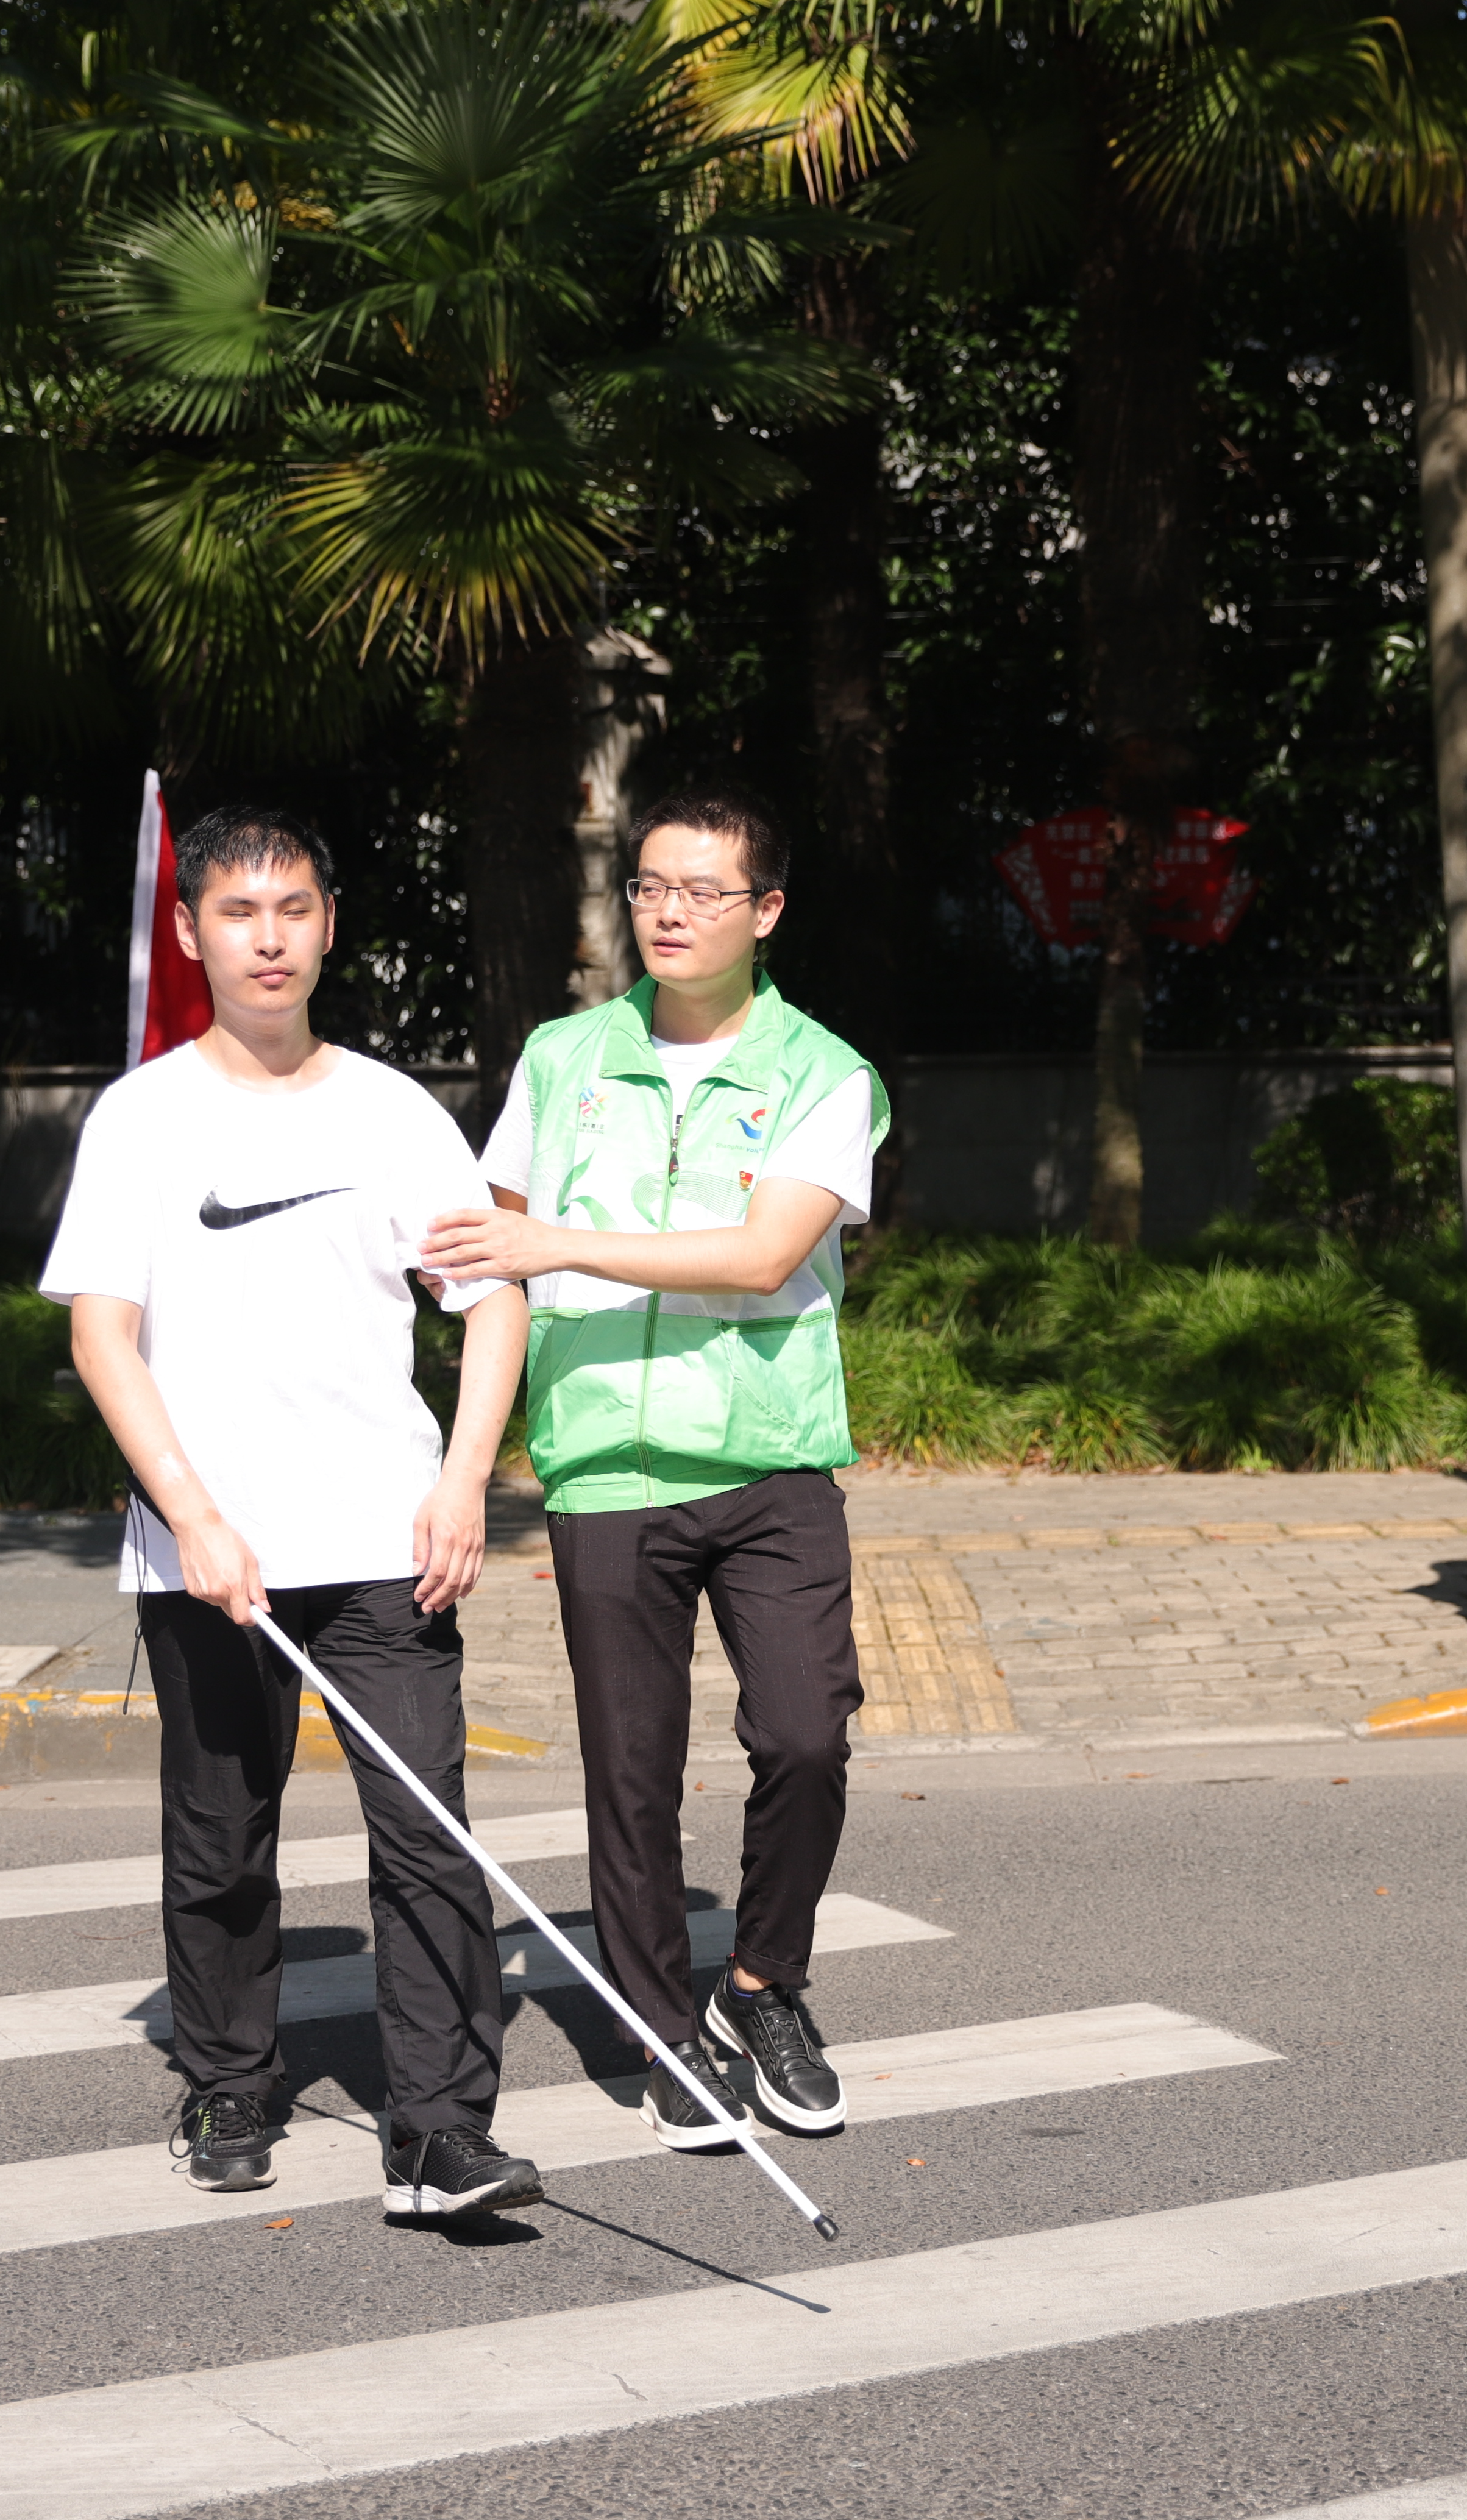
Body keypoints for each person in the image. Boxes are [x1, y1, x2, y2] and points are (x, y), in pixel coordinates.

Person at [42, 800, 544, 2221]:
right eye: (241, 912)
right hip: (210, 1553)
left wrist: (464, 1480)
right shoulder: (141, 1117)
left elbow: (493, 1296)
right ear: (193, 930)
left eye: (297, 908)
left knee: (430, 1835)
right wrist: (191, 1514)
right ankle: (226, 2074)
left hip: (388, 1543)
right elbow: (102, 1336)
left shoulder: (393, 1111)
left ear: (329, 924)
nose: (271, 937)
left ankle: (440, 2129)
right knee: (219, 1836)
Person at [420, 789, 883, 2157]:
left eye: (703, 890)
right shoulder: (561, 1060)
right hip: (605, 1467)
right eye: (649, 888)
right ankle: (661, 2024)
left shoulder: (823, 1073)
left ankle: (763, 1983)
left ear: (767, 911)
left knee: (805, 1735)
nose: (670, 912)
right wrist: (469, 1471)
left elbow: (759, 1254)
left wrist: (554, 1241)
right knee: (633, 1770)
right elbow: (493, 1286)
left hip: (773, 1457)